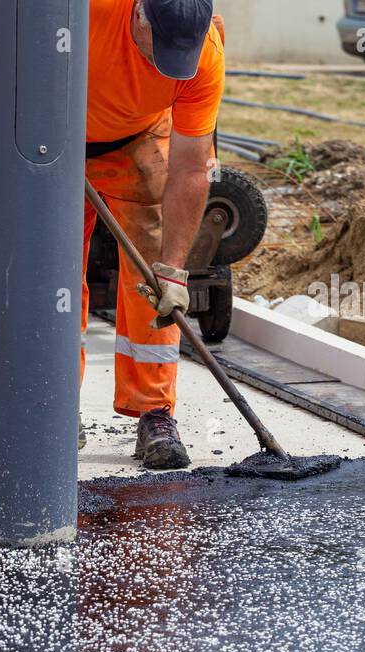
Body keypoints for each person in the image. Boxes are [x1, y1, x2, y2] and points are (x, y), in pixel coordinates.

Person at [82, 0, 224, 468]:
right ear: (139, 15)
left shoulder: (205, 55)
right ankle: (50, 407)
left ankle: (155, 412)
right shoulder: (88, 10)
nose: (166, 65)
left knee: (153, 276)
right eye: (158, 48)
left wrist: (175, 270)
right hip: (54, 137)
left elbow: (189, 167)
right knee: (51, 279)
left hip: (139, 139)